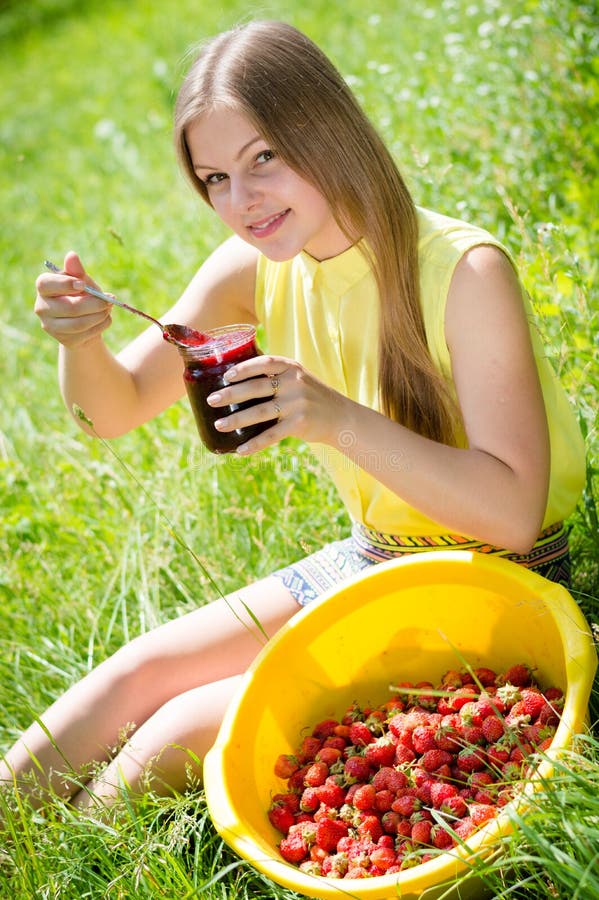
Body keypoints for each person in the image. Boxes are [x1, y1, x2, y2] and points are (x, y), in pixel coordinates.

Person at [1, 20, 585, 810]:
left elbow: (513, 516)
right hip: (376, 559)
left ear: (328, 129)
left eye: (262, 160)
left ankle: (64, 867)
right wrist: (82, 342)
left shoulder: (462, 270)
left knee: (166, 736)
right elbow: (110, 411)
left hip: (503, 588)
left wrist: (330, 415)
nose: (239, 203)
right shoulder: (253, 270)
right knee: (130, 676)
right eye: (213, 179)